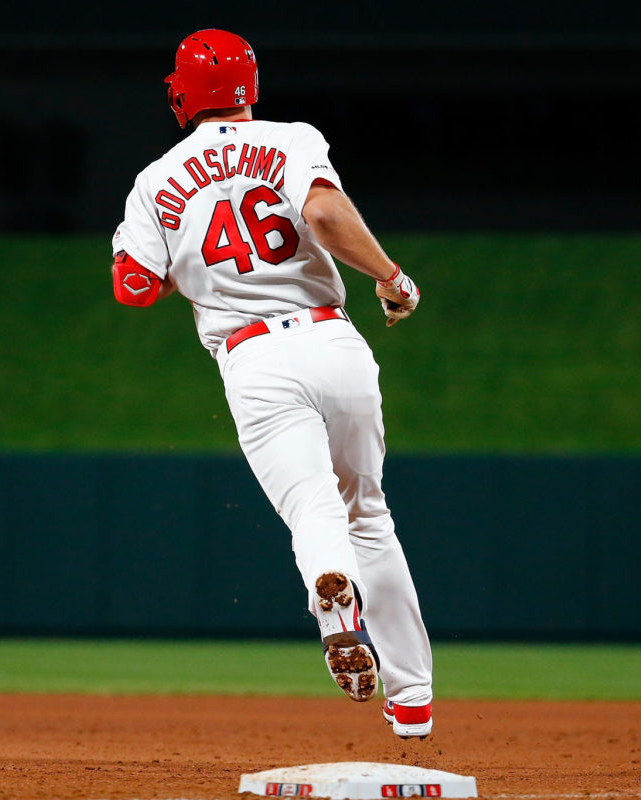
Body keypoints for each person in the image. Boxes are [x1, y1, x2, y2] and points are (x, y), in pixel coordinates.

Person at [110, 29, 434, 738]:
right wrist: (391, 276)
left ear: (182, 93)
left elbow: (132, 286)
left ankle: (332, 603)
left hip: (253, 358)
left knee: (312, 507)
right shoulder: (292, 139)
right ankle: (411, 701)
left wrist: (188, 266)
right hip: (332, 337)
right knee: (368, 514)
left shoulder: (156, 179)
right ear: (249, 85)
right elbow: (322, 213)